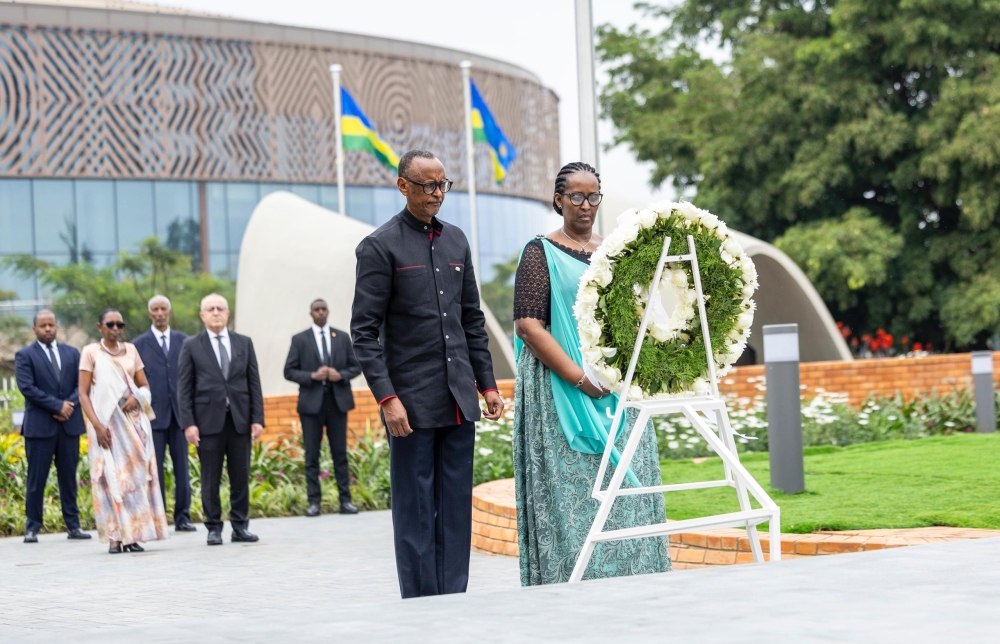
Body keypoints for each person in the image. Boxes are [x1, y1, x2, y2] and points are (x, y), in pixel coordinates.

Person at [351, 149, 504, 599]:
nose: (437, 193)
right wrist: (387, 398)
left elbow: (471, 320)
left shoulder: (457, 241)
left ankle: (453, 598)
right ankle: (420, 604)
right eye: (427, 185)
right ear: (403, 186)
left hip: (459, 400)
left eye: (443, 184)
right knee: (416, 510)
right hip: (410, 406)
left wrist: (488, 384)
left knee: (455, 508)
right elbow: (364, 333)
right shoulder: (379, 246)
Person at [512, 162, 671, 585]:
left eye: (594, 196)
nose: (586, 205)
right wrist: (581, 378)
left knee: (627, 492)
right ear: (558, 200)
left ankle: (639, 584)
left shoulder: (617, 251)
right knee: (577, 494)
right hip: (564, 390)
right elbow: (529, 325)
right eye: (577, 196)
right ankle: (574, 588)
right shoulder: (539, 251)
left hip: (619, 390)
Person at [78, 308, 169, 554]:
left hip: (133, 427)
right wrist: (97, 426)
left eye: (120, 324)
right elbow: (83, 393)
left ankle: (133, 536)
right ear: (100, 327)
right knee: (109, 479)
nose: (116, 328)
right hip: (105, 426)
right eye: (110, 324)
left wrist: (137, 398)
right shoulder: (91, 352)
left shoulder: (131, 350)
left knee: (135, 480)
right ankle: (115, 538)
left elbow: (144, 385)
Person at [178, 293, 264, 546]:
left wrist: (257, 418)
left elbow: (254, 382)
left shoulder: (244, 343)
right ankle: (213, 527)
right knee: (210, 478)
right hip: (207, 423)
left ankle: (240, 526)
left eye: (220, 308)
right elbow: (183, 388)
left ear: (228, 314)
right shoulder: (191, 345)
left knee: (240, 476)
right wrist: (188, 423)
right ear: (202, 315)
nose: (216, 312)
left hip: (239, 420)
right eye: (210, 308)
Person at [14, 310, 91, 544]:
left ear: (57, 327)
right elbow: (27, 388)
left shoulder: (72, 353)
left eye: (51, 325)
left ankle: (73, 526)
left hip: (69, 426)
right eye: (42, 325)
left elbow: (82, 384)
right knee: (37, 479)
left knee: (68, 478)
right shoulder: (24, 355)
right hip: (40, 428)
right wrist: (57, 406)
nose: (48, 329)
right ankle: (32, 527)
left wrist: (69, 406)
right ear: (34, 329)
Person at [284, 299, 362, 516]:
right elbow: (289, 371)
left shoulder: (342, 337)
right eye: (316, 310)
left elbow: (356, 366)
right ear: (311, 313)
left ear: (328, 312)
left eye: (323, 309)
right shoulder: (300, 340)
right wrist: (312, 376)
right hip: (311, 405)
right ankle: (314, 503)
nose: (320, 313)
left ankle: (345, 501)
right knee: (311, 455)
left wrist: (341, 375)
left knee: (340, 454)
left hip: (337, 403)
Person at [132, 295, 196, 532]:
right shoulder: (138, 345)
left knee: (182, 470)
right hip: (153, 418)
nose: (159, 313)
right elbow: (134, 384)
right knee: (154, 471)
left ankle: (183, 517)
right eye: (155, 310)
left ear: (169, 312)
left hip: (181, 417)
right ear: (150, 314)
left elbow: (192, 378)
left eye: (163, 309)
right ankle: (157, 519)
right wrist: (145, 412)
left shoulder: (185, 341)